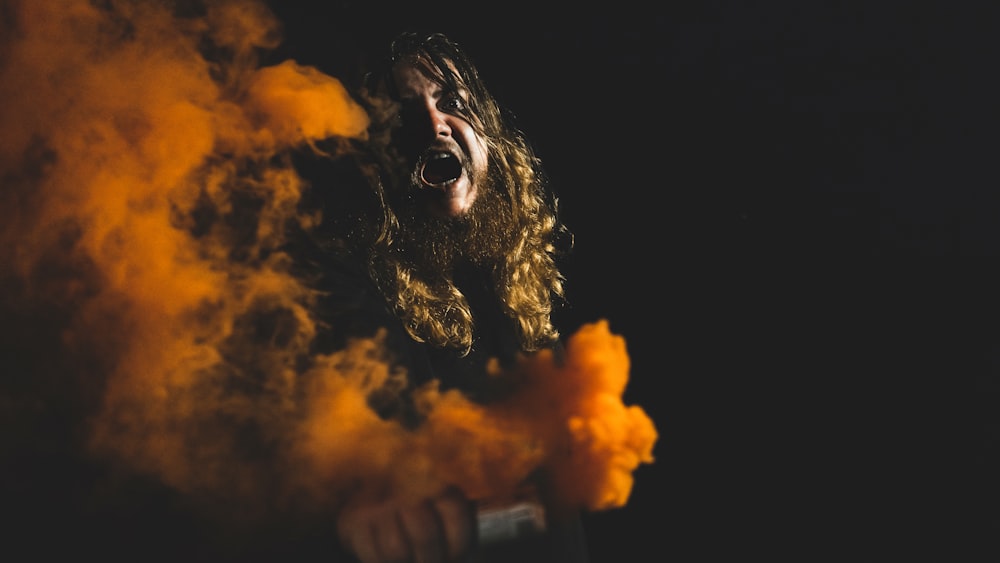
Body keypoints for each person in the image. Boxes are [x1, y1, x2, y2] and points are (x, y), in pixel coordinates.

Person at [296, 31, 590, 563]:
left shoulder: (516, 300)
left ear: (489, 139)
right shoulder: (352, 291)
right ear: (374, 157)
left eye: (452, 104)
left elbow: (551, 513)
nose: (433, 125)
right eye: (403, 114)